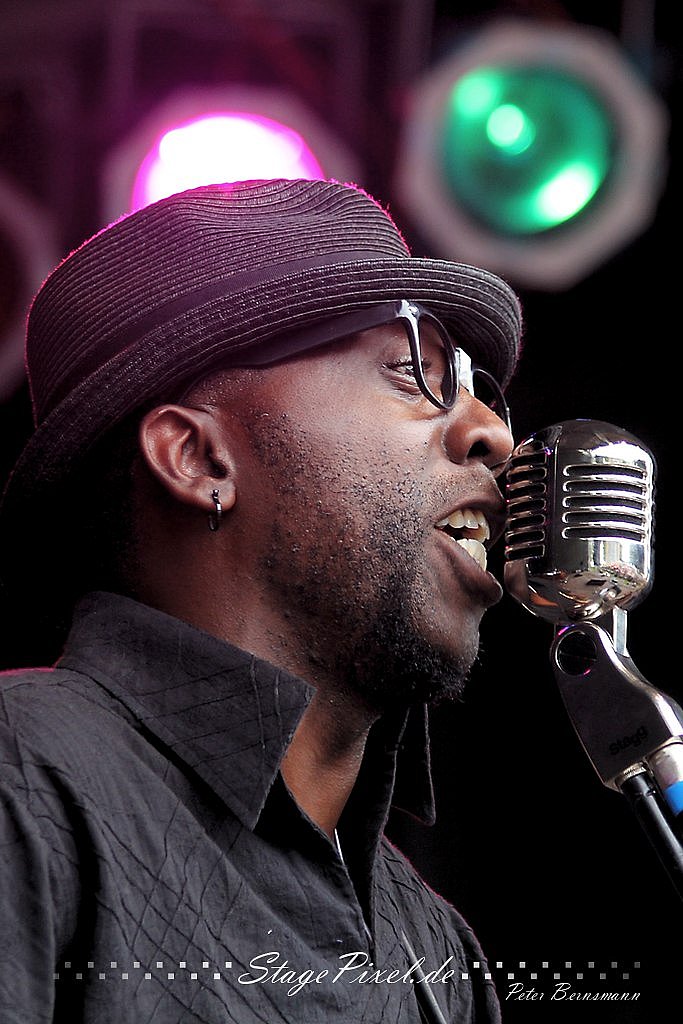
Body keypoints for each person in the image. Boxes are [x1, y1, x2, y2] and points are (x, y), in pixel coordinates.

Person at [0, 177, 522, 1023]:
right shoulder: (20, 777)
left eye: (474, 388)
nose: (492, 434)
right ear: (197, 458)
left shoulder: (437, 952)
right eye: (410, 373)